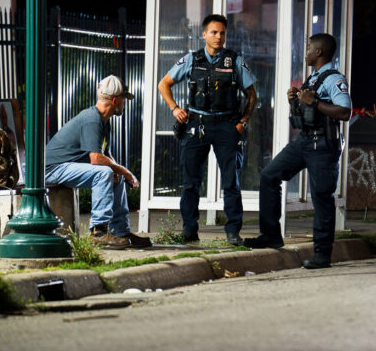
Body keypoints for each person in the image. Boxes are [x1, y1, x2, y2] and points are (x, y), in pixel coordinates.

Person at [244, 33, 351, 269]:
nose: (306, 51)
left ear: (319, 52)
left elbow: (345, 112)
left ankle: (322, 253)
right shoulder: (313, 78)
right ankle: (271, 235)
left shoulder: (335, 79)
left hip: (323, 145)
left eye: (309, 47)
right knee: (269, 176)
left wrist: (314, 102)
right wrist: (295, 99)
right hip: (304, 141)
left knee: (322, 197)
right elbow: (306, 109)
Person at [157, 14, 257, 245]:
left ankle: (233, 232)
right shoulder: (192, 59)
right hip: (197, 125)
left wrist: (243, 122)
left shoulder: (235, 60)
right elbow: (164, 84)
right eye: (214, 32)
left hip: (226, 126)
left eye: (222, 33)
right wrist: (174, 108)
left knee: (231, 182)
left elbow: (252, 95)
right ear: (203, 35)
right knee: (191, 182)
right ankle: (189, 231)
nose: (218, 37)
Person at [45, 75, 151, 248]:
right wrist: (125, 171)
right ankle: (98, 232)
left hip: (67, 166)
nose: (125, 103)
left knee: (114, 173)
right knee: (105, 172)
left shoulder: (103, 121)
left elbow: (105, 156)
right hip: (52, 169)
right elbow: (96, 159)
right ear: (115, 100)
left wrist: (120, 172)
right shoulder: (92, 119)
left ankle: (121, 231)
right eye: (124, 99)